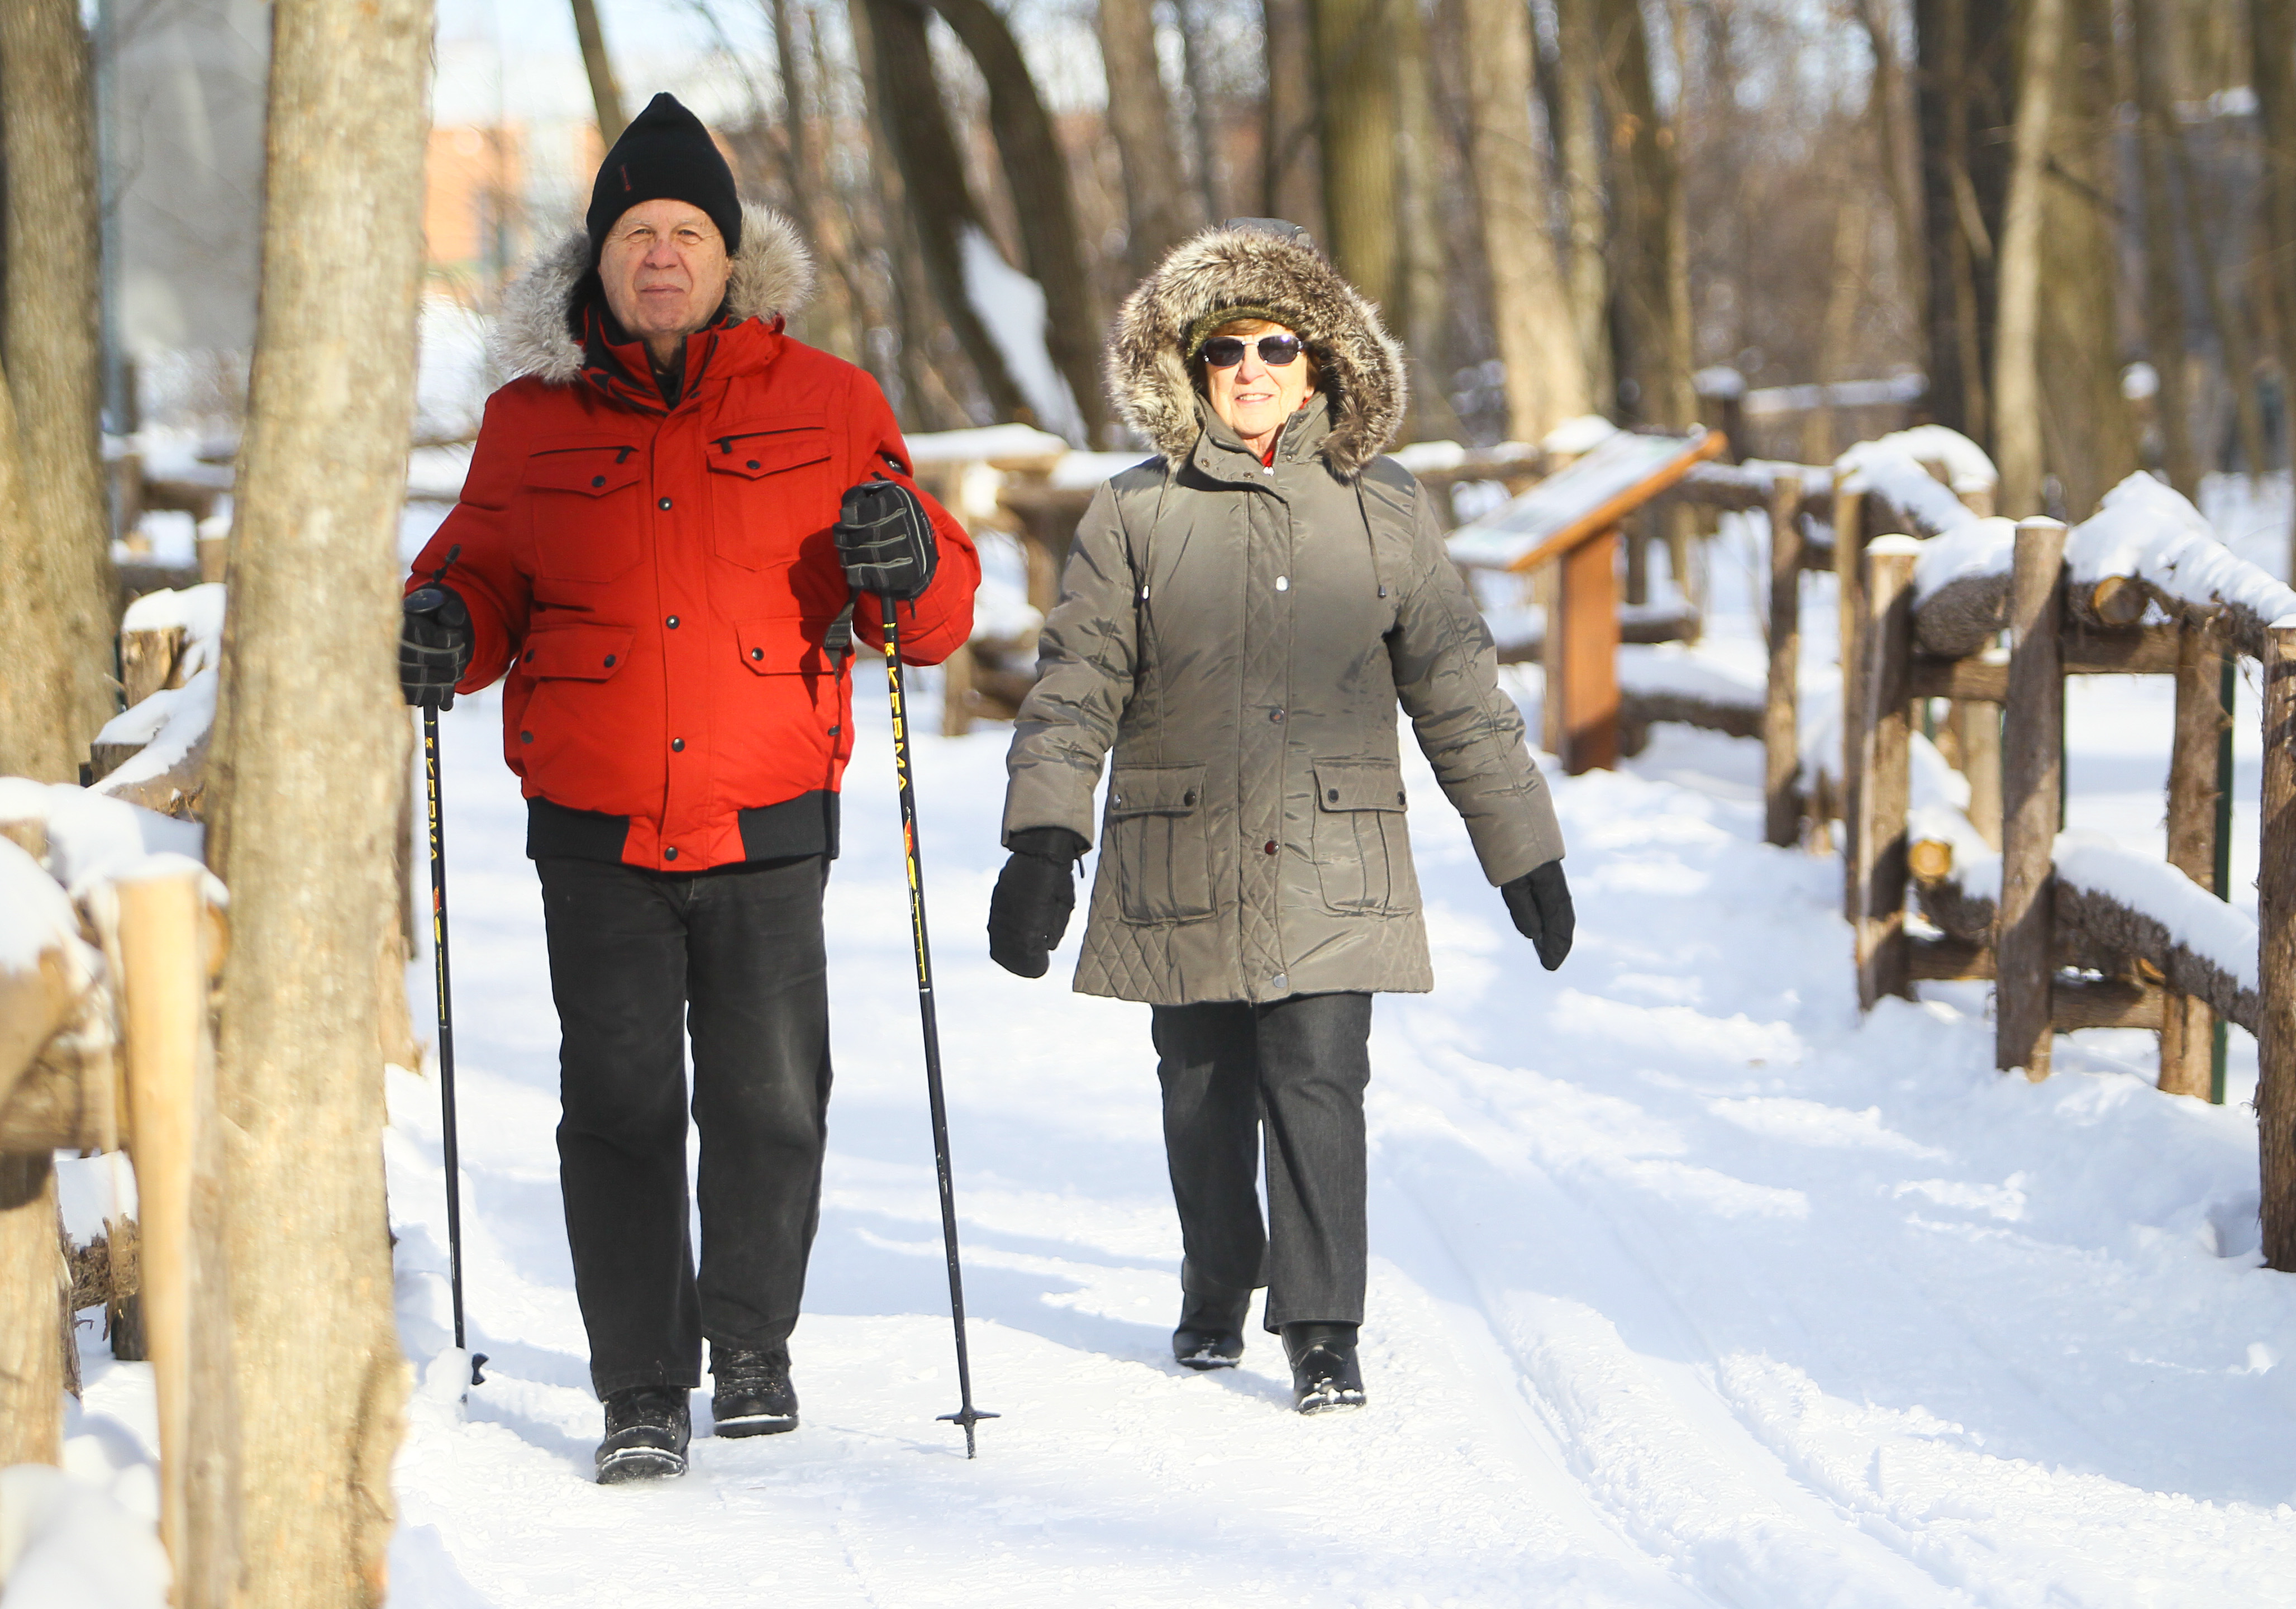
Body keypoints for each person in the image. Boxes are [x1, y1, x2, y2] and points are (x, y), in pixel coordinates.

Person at [396, 93, 978, 1483]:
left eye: (688, 232)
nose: (662, 254)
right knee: (619, 1106)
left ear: (732, 258)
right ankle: (641, 1384)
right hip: (593, 824)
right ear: (596, 262)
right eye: (637, 233)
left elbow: (933, 606)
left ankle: (754, 1346)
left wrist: (906, 556)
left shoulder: (830, 402)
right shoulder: (527, 424)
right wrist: (444, 628)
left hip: (768, 814)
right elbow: (476, 580)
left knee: (773, 1100)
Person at [988, 220, 1575, 1413]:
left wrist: (1525, 851)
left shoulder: (1386, 512)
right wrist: (1045, 839)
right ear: (1189, 369)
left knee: (1319, 1077)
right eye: (1223, 350)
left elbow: (1459, 688)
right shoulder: (1133, 514)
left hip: (1331, 849)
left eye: (1276, 346)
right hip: (1179, 847)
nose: (1250, 369)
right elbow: (1076, 685)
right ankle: (1218, 1278)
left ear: (1323, 364)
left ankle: (1321, 1325)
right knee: (1199, 1088)